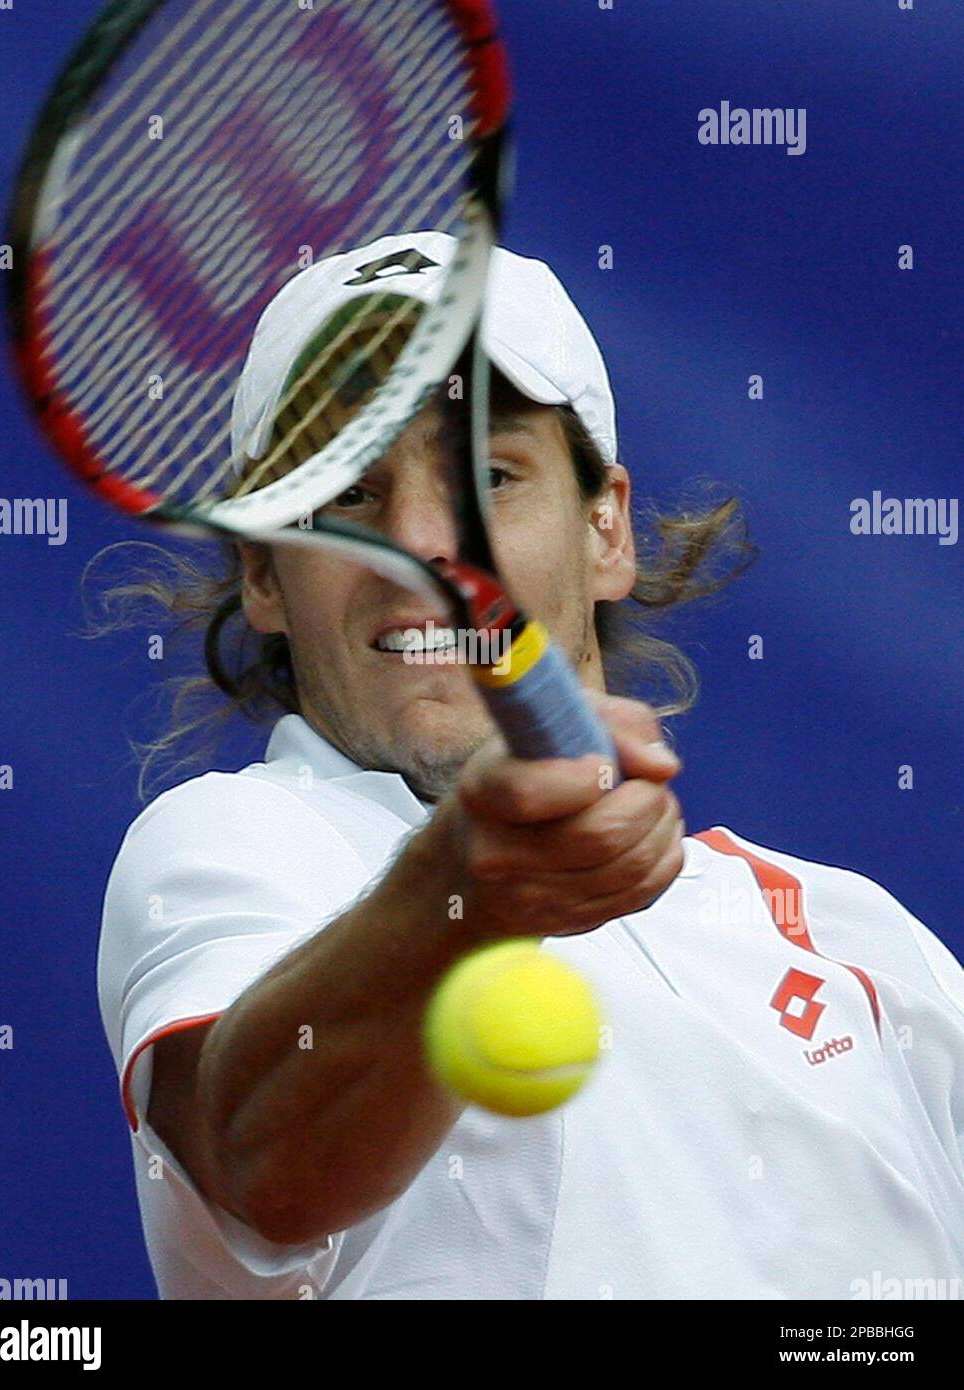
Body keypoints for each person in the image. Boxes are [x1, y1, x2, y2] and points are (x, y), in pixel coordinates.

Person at [97, 233, 964, 1300]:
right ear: (266, 576)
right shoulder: (240, 843)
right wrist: (463, 891)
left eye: (487, 476)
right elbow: (262, 1171)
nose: (423, 547)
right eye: (348, 492)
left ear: (607, 530)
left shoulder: (864, 942)